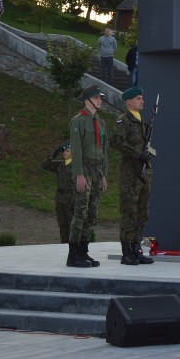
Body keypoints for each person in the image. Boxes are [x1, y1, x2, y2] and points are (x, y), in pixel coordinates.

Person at [109, 86, 156, 266]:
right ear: (128, 101)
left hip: (143, 175)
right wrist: (138, 154)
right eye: (138, 98)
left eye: (141, 98)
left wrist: (146, 156)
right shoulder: (124, 121)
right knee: (129, 213)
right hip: (131, 175)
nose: (142, 101)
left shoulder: (141, 121)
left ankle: (136, 248)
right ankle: (126, 251)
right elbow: (116, 142)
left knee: (142, 213)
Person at [67, 85, 109, 268]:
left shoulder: (100, 122)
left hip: (97, 171)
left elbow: (104, 151)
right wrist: (79, 175)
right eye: (97, 97)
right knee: (80, 212)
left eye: (100, 97)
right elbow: (75, 150)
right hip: (84, 168)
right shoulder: (79, 121)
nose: (100, 100)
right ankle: (73, 253)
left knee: (92, 213)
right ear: (88, 100)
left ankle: (84, 251)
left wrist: (104, 175)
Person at [40, 140, 74, 243]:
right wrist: (54, 153)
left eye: (67, 150)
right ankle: (63, 246)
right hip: (60, 198)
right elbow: (45, 165)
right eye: (63, 151)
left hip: (71, 198)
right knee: (62, 224)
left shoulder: (77, 166)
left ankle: (74, 248)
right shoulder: (60, 164)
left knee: (72, 224)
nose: (64, 153)